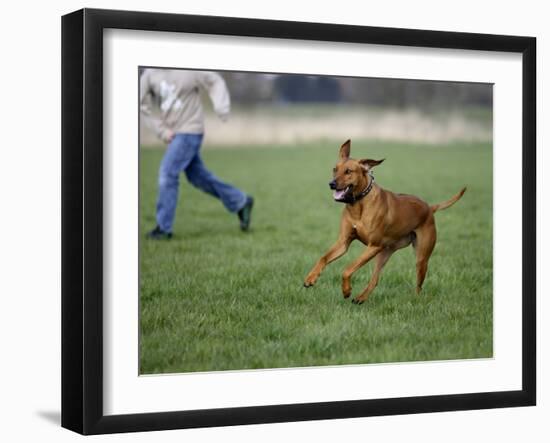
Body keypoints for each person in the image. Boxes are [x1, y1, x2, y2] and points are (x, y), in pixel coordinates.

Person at [140, 68, 254, 239]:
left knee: (167, 173)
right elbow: (139, 105)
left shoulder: (188, 68)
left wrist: (221, 108)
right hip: (173, 133)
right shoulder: (149, 74)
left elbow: (215, 80)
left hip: (190, 130)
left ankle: (163, 229)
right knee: (198, 177)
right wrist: (161, 131)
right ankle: (240, 201)